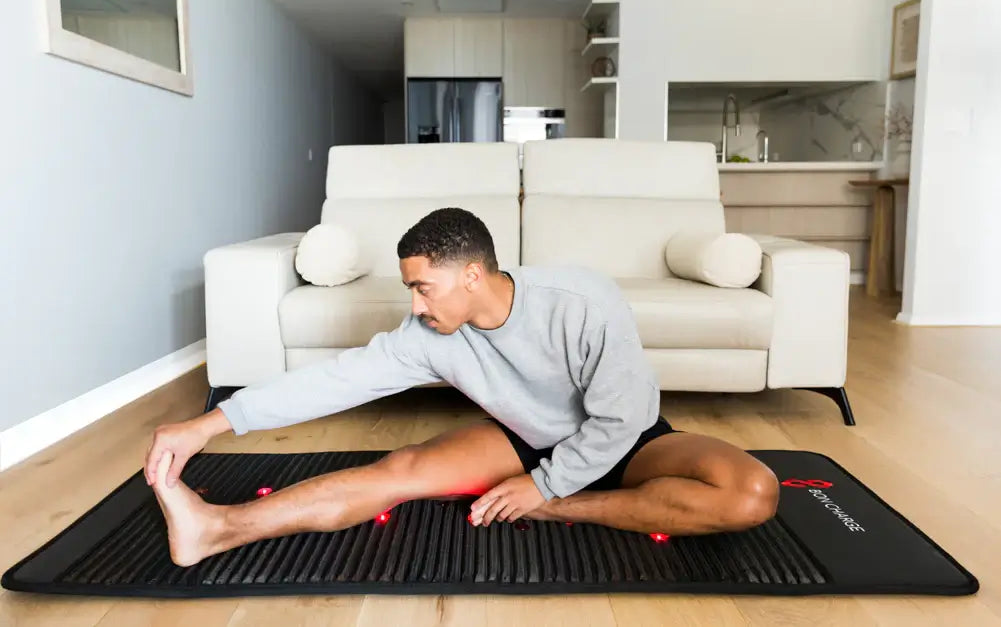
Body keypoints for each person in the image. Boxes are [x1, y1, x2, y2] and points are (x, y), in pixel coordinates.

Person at [145, 207, 779, 567]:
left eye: (424, 287)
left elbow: (618, 421)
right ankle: (218, 527)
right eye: (411, 290)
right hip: (526, 438)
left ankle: (562, 510)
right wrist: (210, 423)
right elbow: (333, 383)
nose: (417, 304)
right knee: (398, 471)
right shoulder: (426, 335)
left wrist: (544, 489)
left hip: (632, 442)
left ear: (473, 275)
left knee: (752, 495)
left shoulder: (583, 299)